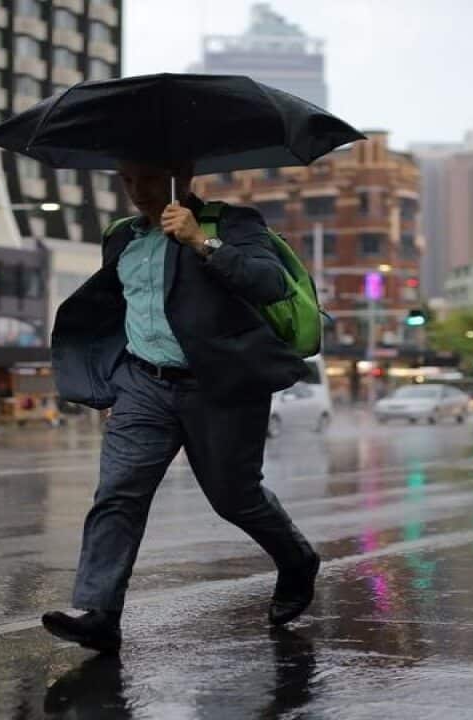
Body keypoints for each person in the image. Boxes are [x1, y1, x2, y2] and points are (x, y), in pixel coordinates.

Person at [43, 161, 319, 652]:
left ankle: (296, 560)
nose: (136, 189)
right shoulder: (122, 236)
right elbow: (119, 307)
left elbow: (268, 283)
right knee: (118, 493)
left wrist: (199, 242)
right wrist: (111, 380)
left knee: (234, 498)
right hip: (143, 383)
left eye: (147, 178)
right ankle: (98, 611)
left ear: (181, 177)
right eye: (127, 180)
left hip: (221, 386)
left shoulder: (231, 223)